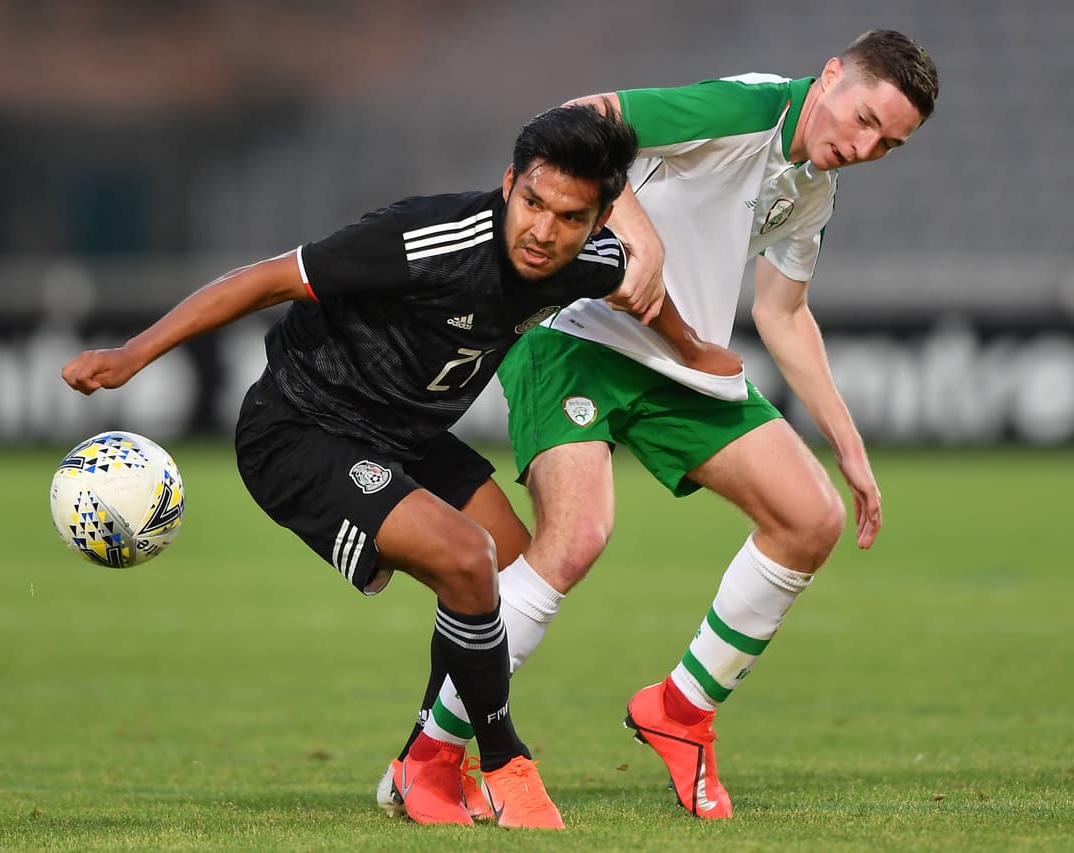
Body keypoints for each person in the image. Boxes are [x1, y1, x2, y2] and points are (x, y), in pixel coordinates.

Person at [61, 103, 734, 830]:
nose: (542, 230)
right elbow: (266, 279)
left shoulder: (584, 260)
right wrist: (133, 354)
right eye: (532, 202)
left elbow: (638, 289)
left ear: (598, 220)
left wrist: (693, 351)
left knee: (511, 570)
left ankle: (422, 758)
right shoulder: (425, 239)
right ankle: (506, 760)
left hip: (404, 433)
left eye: (569, 217)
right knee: (467, 559)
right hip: (302, 428)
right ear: (510, 184)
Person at [380, 29, 939, 822]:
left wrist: (849, 446)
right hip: (574, 333)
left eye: (889, 142)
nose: (865, 145)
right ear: (833, 75)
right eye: (863, 118)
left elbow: (782, 312)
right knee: (575, 538)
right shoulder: (749, 106)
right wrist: (634, 233)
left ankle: (681, 712)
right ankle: (430, 754)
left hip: (679, 355)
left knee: (810, 517)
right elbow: (582, 116)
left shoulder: (815, 185)